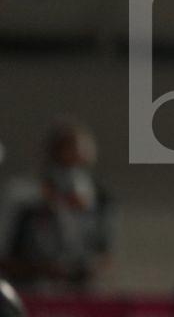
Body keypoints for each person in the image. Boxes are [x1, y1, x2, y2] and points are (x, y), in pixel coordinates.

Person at [0, 123, 113, 292]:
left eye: (79, 163)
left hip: (78, 296)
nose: (71, 171)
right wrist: (40, 269)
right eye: (65, 158)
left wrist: (85, 271)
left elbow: (106, 254)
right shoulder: (21, 196)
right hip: (28, 292)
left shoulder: (100, 200)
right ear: (50, 155)